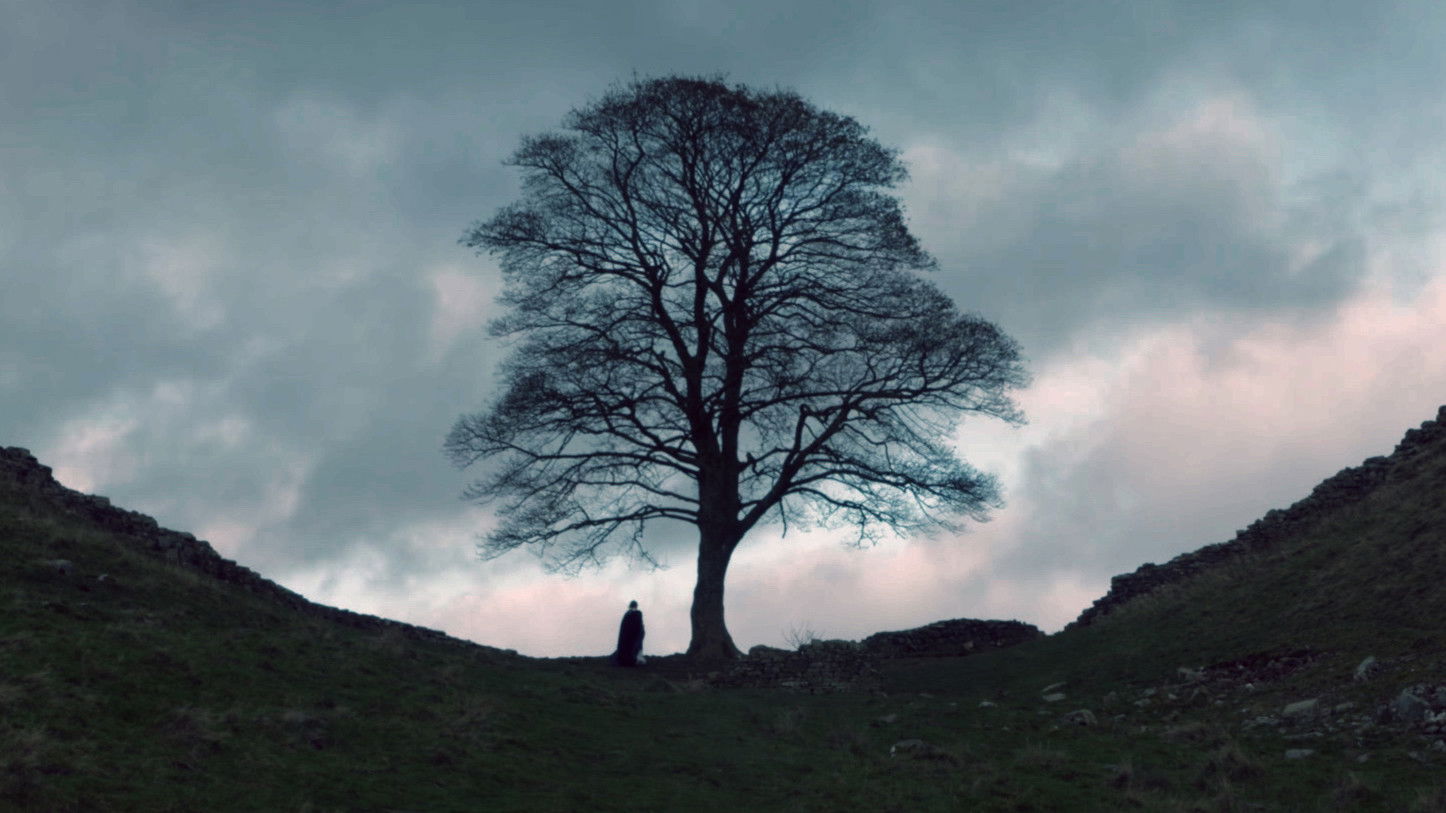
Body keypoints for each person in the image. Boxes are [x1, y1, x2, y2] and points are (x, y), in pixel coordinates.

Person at [612, 600, 645, 666]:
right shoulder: (637, 614)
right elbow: (639, 626)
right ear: (636, 606)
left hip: (628, 637)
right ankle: (634, 659)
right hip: (633, 636)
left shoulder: (627, 614)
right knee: (634, 646)